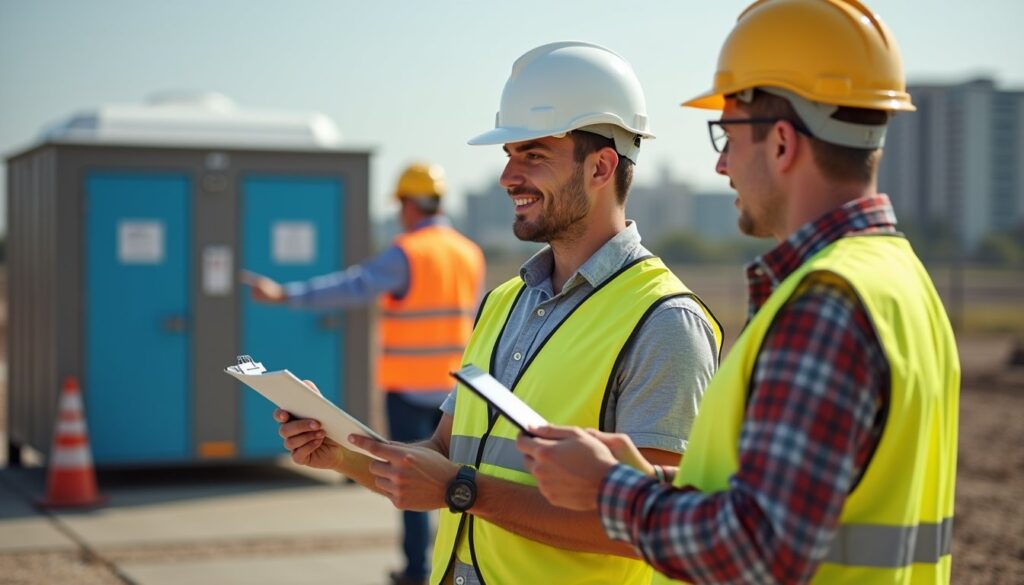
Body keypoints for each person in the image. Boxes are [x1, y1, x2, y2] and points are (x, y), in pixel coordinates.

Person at [517, 2, 961, 584]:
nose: (722, 164)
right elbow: (800, 502)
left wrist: (608, 489)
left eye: (726, 135)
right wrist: (652, 485)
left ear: (781, 142)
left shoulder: (826, 302)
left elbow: (758, 550)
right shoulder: (901, 282)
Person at [276, 41, 722, 585]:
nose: (508, 176)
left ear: (602, 166)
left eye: (533, 155)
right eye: (509, 155)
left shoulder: (665, 322)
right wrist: (341, 452)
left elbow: (646, 526)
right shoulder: (504, 301)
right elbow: (440, 454)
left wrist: (462, 491)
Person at [245, 162, 485, 585]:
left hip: (409, 389)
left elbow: (353, 286)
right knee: (454, 484)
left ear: (408, 205)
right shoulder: (469, 252)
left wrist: (284, 294)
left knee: (408, 480)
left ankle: (417, 571)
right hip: (455, 393)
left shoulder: (408, 252)